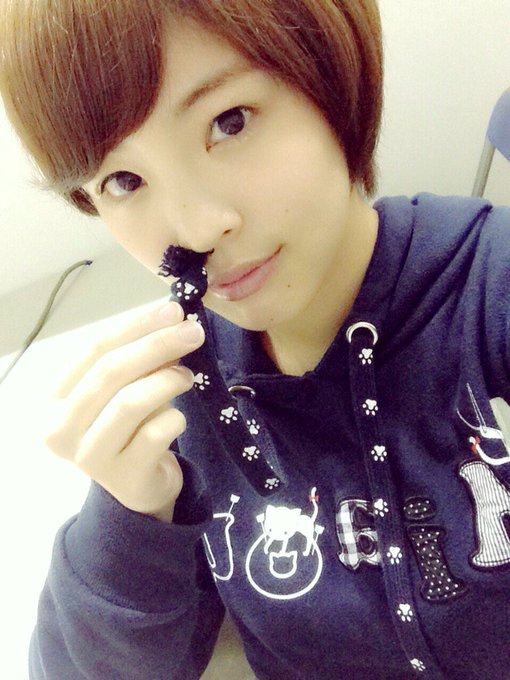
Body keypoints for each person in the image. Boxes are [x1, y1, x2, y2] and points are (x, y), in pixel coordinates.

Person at [2, 1, 510, 679]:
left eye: (230, 121)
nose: (197, 229)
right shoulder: (180, 397)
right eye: (124, 181)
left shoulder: (488, 287)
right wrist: (132, 519)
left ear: (330, 77)